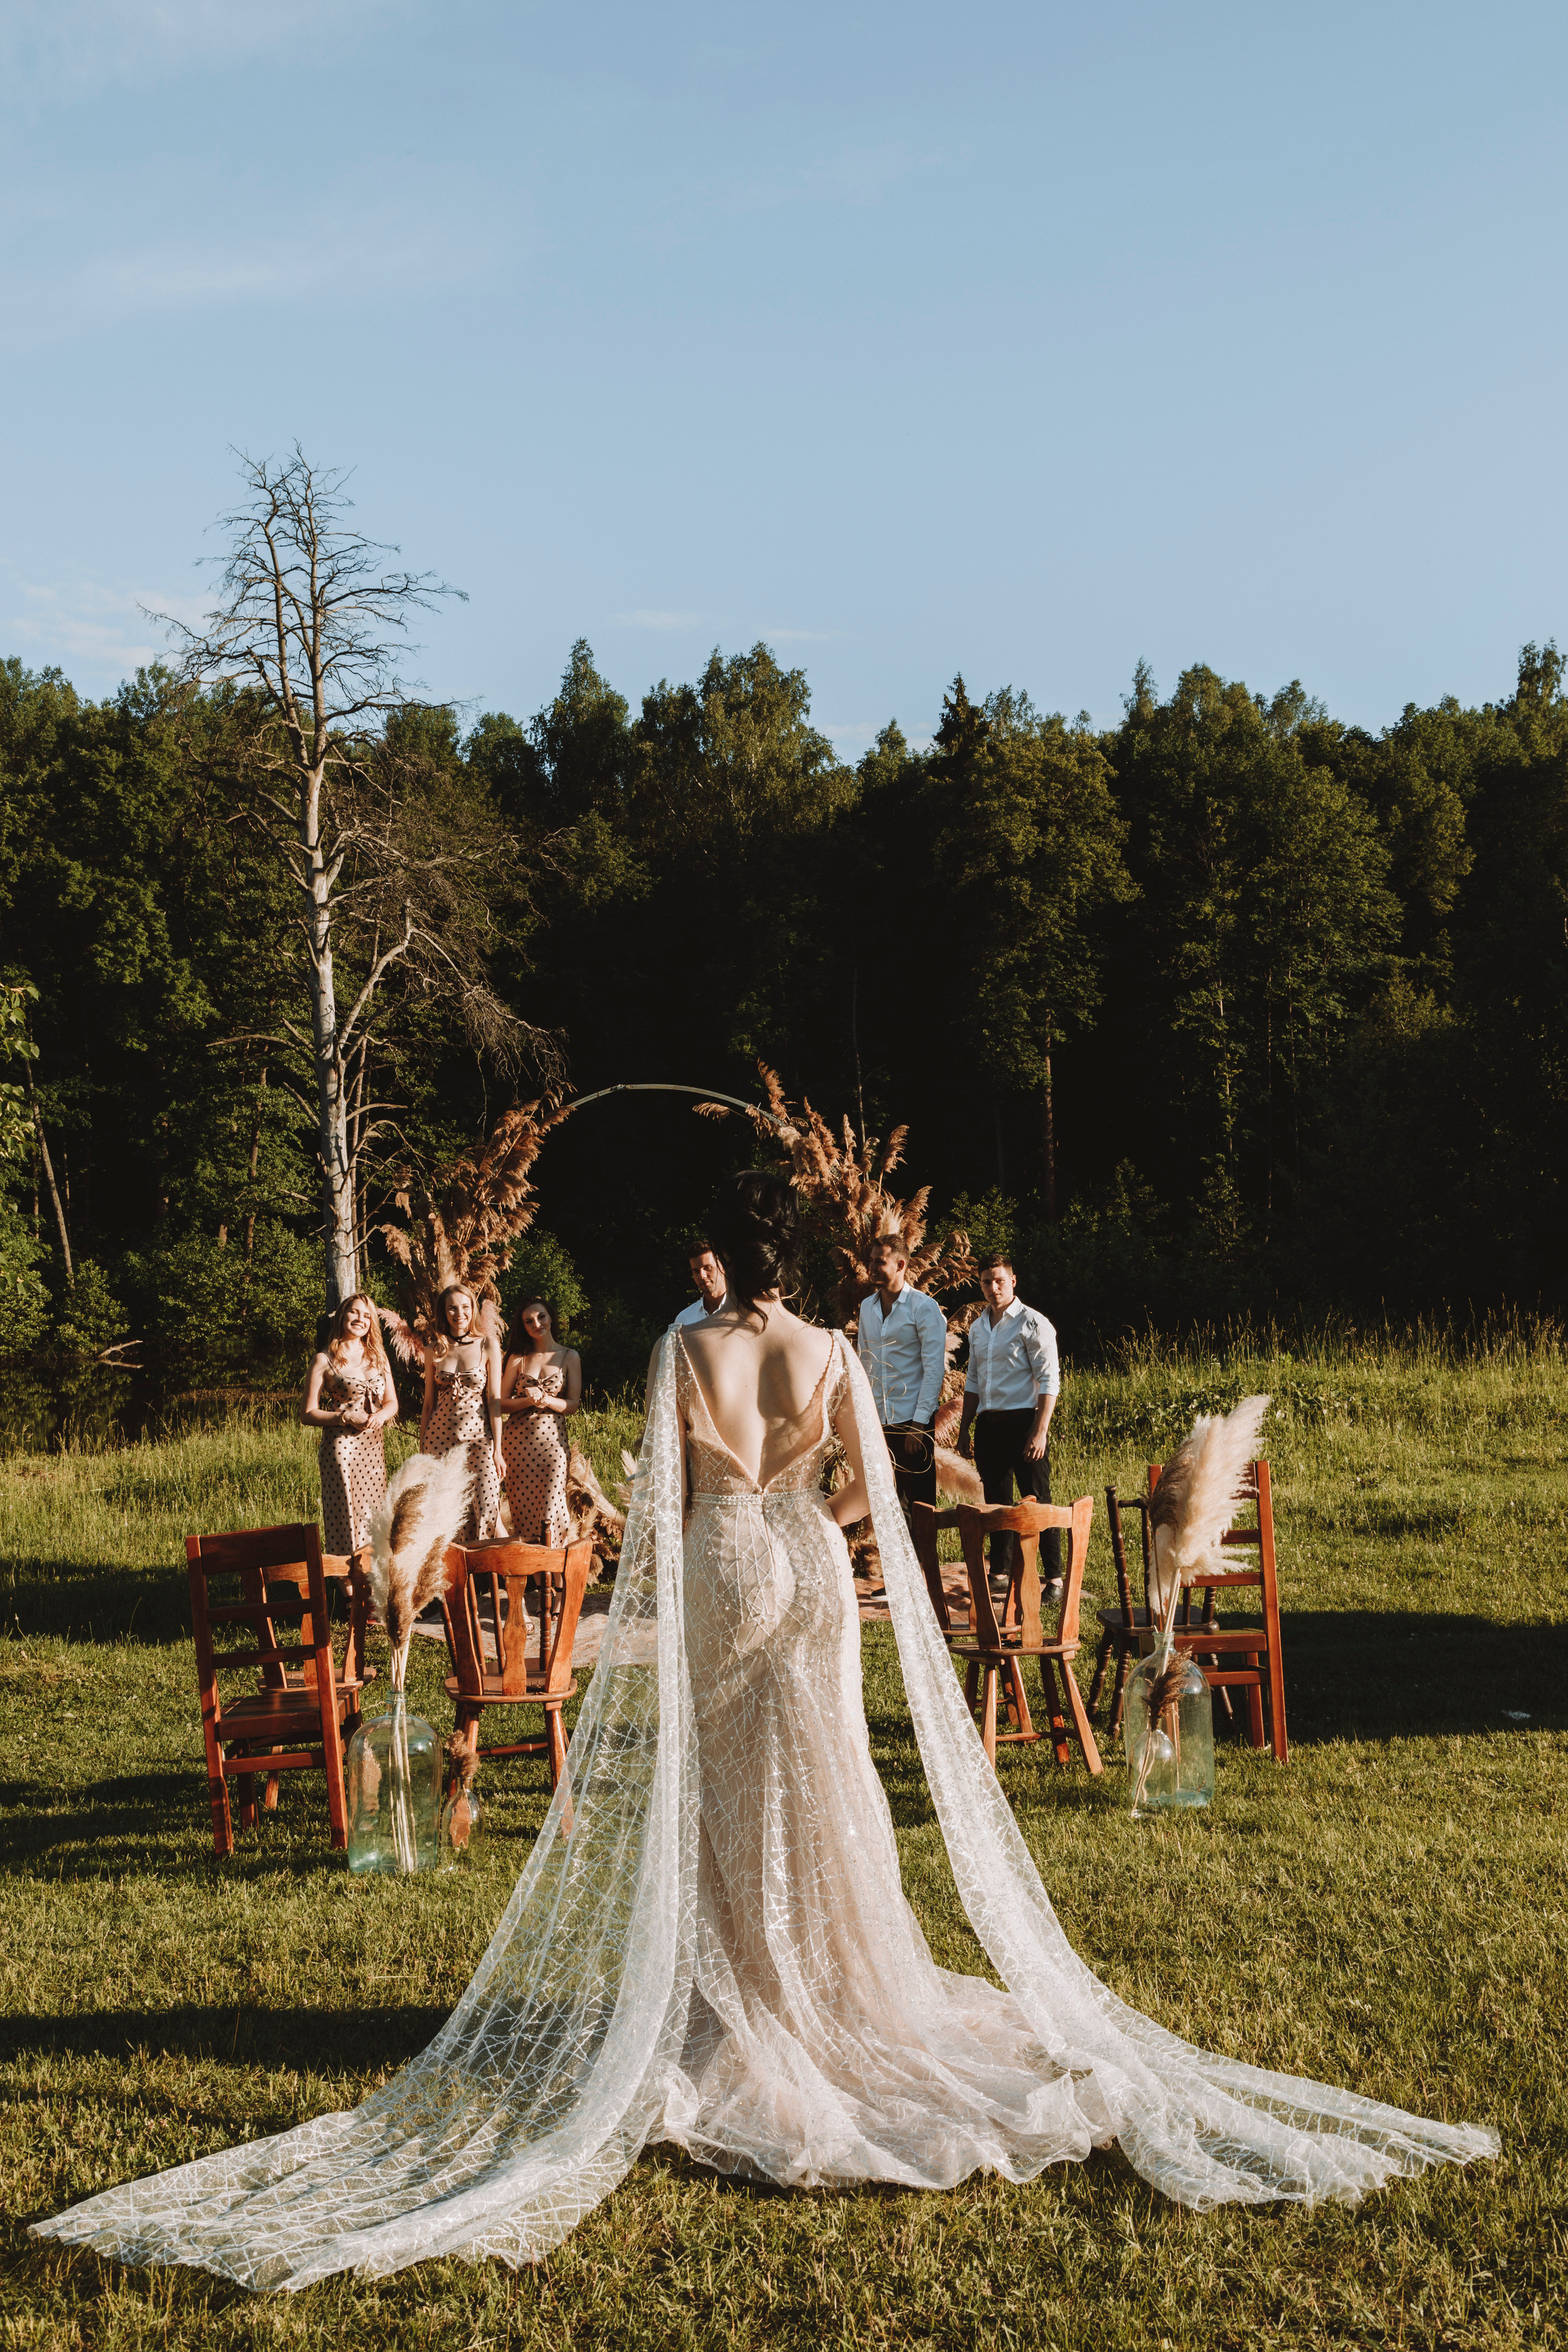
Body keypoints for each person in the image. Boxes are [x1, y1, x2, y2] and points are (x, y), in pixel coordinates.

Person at [34, 1172, 1497, 2287]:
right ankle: (820, 1983)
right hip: (804, 1555)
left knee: (724, 1778)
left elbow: (662, 1509)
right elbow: (880, 1486)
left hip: (728, 1554)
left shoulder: (687, 1352)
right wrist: (813, 1520)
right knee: (815, 1771)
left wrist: (686, 1544)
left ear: (726, 1260)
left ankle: (738, 1991)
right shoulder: (833, 1352)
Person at [957, 1253, 1063, 1604]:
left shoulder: (1033, 1323)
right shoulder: (978, 1327)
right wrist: (964, 1428)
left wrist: (1040, 1429)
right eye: (987, 1281)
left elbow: (1050, 1380)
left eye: (999, 1280)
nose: (993, 1288)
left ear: (1013, 1281)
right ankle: (999, 1572)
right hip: (990, 1425)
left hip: (1024, 1421)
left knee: (1037, 1500)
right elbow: (973, 1380)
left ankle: (1055, 1579)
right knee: (995, 1501)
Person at [854, 1232, 948, 1516]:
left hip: (911, 1420)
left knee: (918, 1506)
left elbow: (934, 1370)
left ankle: (923, 1562)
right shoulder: (867, 1308)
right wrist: (864, 1419)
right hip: (879, 1419)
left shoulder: (923, 1308)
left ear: (901, 1265)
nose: (871, 1267)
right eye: (871, 1261)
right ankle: (898, 1562)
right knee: (888, 1505)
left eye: (880, 1262)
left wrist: (919, 1426)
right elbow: (865, 1363)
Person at [300, 1291, 398, 1554]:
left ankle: (371, 1576)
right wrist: (345, 1417)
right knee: (344, 1512)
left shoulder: (379, 1356)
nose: (361, 1319)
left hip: (374, 1447)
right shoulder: (324, 1359)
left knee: (373, 1514)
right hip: (342, 1447)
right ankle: (347, 1584)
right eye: (355, 1312)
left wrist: (380, 1416)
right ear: (343, 1315)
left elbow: (392, 1403)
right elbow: (307, 1413)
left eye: (367, 1316)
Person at [418, 1281, 503, 1542]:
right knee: (448, 1510)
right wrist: (423, 1446)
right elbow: (429, 1404)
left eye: (465, 1307)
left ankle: (514, 1575)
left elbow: (494, 1399)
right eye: (452, 1309)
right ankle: (464, 1578)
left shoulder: (488, 1344)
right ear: (444, 1313)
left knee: (489, 1506)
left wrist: (498, 1449)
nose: (460, 1314)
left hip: (479, 1438)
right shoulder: (434, 1349)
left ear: (473, 1309)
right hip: (440, 1439)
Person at [496, 1296, 581, 1547]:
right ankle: (538, 1581)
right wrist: (527, 1401)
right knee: (524, 1514)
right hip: (517, 1446)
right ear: (523, 1327)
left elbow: (573, 1405)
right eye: (529, 1321)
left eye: (541, 1316)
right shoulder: (518, 1359)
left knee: (552, 1509)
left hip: (552, 1443)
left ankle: (557, 1577)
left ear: (551, 1318)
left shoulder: (569, 1356)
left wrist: (546, 1400)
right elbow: (500, 1403)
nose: (536, 1324)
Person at [669, 1238, 727, 1329]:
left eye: (708, 1268)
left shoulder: (744, 1311)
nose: (702, 1276)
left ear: (723, 1267)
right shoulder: (685, 1319)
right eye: (696, 1271)